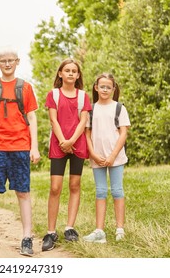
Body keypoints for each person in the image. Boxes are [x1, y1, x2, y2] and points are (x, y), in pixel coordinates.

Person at [0, 46, 41, 256]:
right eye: (3, 61)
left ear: (17, 62)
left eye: (11, 60)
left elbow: (32, 118)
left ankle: (26, 237)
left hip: (21, 146)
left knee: (23, 191)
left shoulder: (25, 87)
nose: (7, 64)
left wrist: (34, 147)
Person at [42, 59, 92, 251]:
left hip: (77, 144)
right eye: (67, 70)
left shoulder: (83, 96)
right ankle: (50, 231)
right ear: (60, 74)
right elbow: (53, 120)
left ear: (78, 75)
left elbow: (83, 121)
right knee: (55, 187)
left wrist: (71, 141)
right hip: (58, 144)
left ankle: (70, 228)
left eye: (74, 71)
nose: (71, 73)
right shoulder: (53, 95)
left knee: (74, 185)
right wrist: (63, 141)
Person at [83, 73, 130, 243]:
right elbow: (87, 134)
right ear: (96, 87)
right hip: (97, 157)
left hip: (115, 157)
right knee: (101, 191)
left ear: (113, 89)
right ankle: (99, 231)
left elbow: (123, 133)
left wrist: (112, 156)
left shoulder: (119, 108)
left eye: (108, 87)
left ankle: (120, 229)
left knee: (117, 190)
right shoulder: (91, 109)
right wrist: (93, 154)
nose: (104, 89)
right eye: (102, 86)